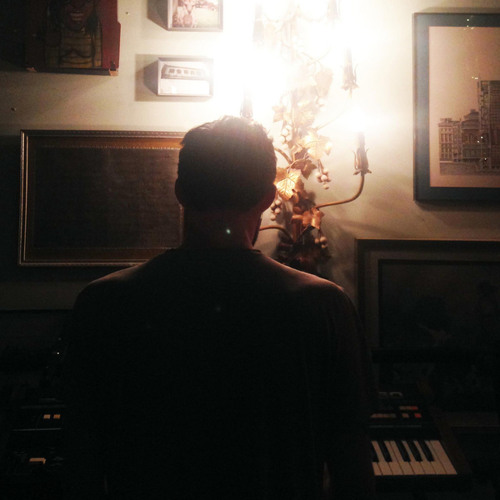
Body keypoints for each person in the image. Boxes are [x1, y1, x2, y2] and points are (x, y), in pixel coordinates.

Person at [62, 116, 376, 499]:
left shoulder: (103, 302)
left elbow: (82, 457)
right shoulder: (325, 304)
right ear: (269, 197)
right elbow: (350, 456)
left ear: (180, 192)